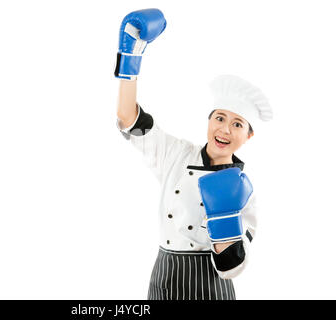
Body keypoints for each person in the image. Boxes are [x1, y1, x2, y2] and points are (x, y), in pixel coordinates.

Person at [114, 8, 273, 300]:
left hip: (209, 286)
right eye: (220, 118)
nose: (225, 129)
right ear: (210, 120)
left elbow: (231, 266)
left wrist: (223, 219)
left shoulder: (243, 193)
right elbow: (129, 119)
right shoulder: (176, 154)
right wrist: (131, 57)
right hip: (163, 274)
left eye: (237, 124)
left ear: (248, 135)